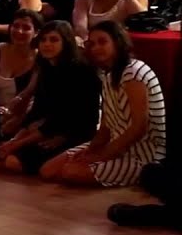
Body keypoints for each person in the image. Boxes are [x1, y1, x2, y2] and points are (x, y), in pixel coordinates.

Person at [38, 21, 166, 187]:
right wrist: (91, 150)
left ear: (117, 42)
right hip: (114, 145)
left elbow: (138, 128)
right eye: (92, 44)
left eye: (102, 42)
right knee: (48, 170)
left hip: (141, 153)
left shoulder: (134, 72)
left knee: (70, 172)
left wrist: (102, 156)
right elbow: (106, 126)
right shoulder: (107, 75)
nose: (96, 48)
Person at [0, 20, 101, 175]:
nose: (47, 44)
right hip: (48, 129)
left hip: (72, 132)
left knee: (12, 161)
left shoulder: (80, 72)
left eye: (54, 40)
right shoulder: (47, 68)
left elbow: (64, 118)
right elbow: (37, 110)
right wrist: (15, 140)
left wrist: (16, 144)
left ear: (66, 42)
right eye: (43, 40)